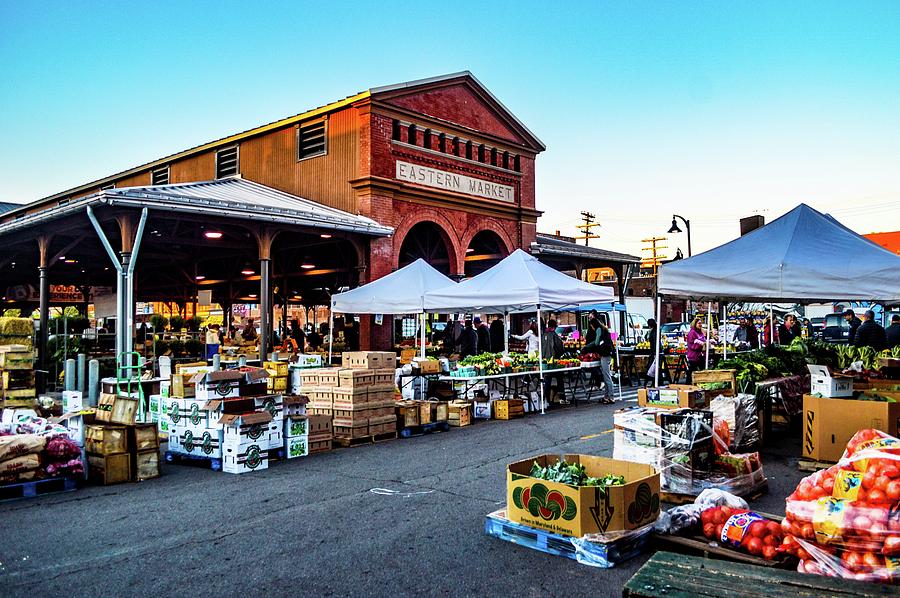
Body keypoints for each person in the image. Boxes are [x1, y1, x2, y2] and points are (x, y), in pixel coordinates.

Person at [541, 318, 566, 402]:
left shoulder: (543, 335)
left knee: (547, 380)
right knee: (560, 379)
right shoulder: (555, 335)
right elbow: (560, 348)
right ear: (554, 327)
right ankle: (561, 397)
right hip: (554, 361)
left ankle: (546, 399)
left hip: (545, 362)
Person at [685, 317, 708, 383]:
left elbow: (703, 340)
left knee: (702, 371)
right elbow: (692, 345)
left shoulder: (700, 332)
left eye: (701, 323)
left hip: (700, 355)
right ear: (695, 324)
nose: (700, 325)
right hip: (693, 356)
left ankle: (701, 383)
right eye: (699, 323)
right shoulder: (692, 333)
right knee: (692, 372)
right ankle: (688, 385)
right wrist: (701, 345)